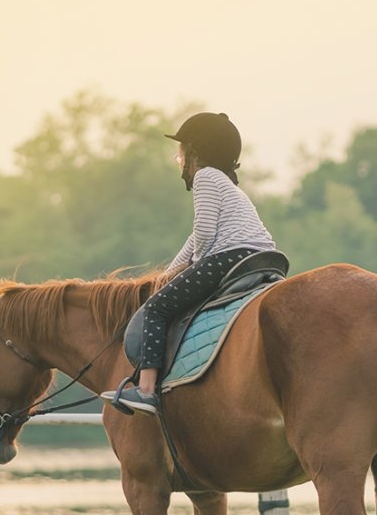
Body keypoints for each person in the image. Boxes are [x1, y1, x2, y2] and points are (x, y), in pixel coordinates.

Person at [102, 112, 277, 414]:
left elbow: (206, 234)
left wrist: (195, 263)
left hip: (230, 256)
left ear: (195, 151)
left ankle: (146, 390)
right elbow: (197, 234)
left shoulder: (206, 176)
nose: (179, 158)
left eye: (182, 151)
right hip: (259, 257)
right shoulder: (228, 184)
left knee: (157, 308)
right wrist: (171, 272)